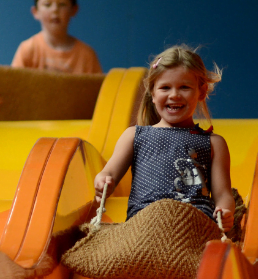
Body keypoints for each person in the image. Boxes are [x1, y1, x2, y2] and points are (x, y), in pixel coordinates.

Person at [94, 45, 234, 231]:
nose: (174, 95)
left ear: (201, 91)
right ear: (153, 93)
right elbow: (109, 173)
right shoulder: (135, 136)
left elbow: (222, 194)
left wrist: (224, 211)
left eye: (184, 87)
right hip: (144, 224)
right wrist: (103, 181)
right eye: (165, 87)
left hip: (193, 223)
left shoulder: (213, 142)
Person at [0, 0, 102, 109]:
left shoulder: (87, 54)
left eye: (62, 4)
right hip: (34, 126)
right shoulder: (28, 48)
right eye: (47, 4)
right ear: (35, 12)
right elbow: (13, 92)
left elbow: (98, 97)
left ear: (74, 10)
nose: (55, 10)